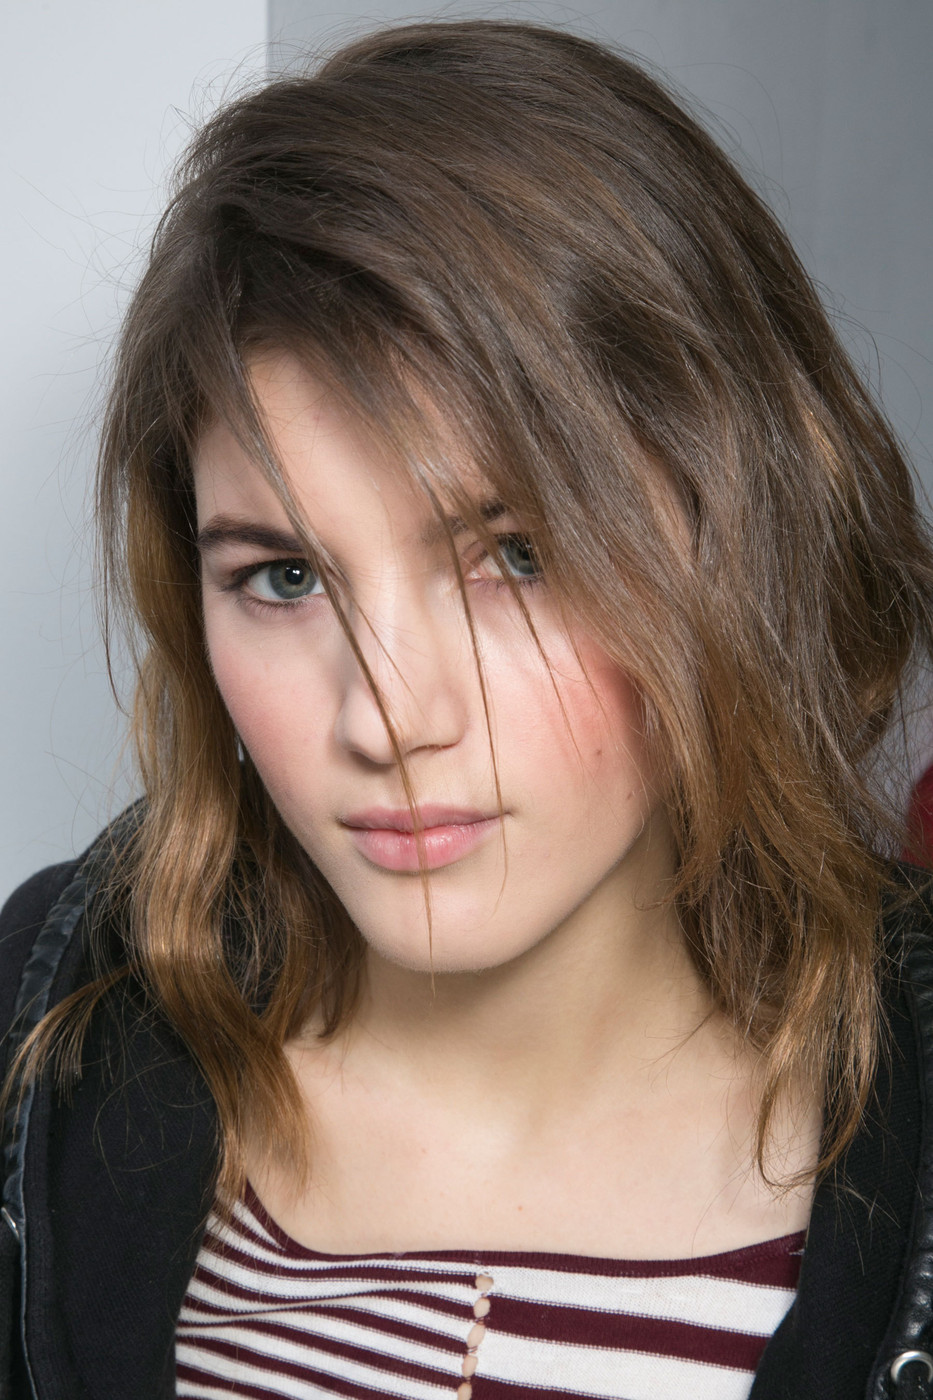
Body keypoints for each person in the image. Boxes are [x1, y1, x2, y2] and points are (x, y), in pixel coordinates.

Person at [2, 19, 933, 1400]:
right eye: (284, 576)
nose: (389, 716)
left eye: (517, 555)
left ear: (739, 536)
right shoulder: (45, 1027)